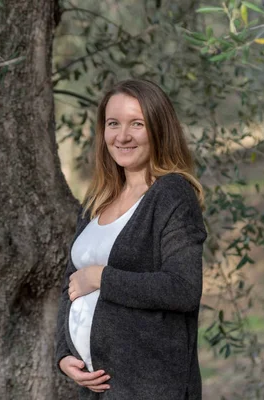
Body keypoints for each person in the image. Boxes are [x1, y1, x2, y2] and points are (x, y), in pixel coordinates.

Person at [54, 79, 207, 400]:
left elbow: (183, 289)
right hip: (99, 386)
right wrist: (63, 354)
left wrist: (102, 278)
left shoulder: (171, 194)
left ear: (159, 129)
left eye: (136, 124)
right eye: (113, 124)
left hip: (149, 386)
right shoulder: (99, 199)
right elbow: (72, 283)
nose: (122, 136)